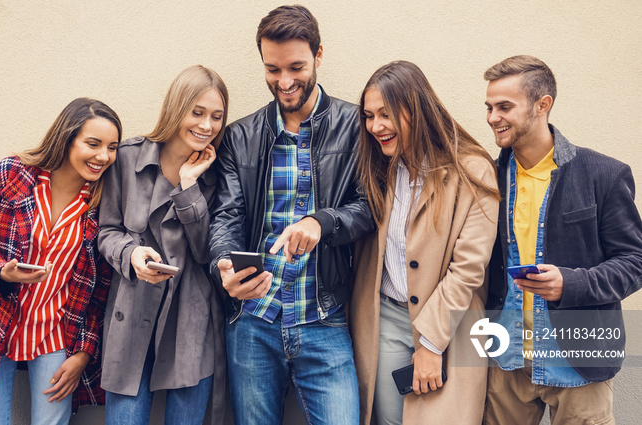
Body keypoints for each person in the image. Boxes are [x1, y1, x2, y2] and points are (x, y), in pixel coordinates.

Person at [207, 5, 374, 425]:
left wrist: (322, 221)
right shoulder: (240, 136)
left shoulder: (356, 127)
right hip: (253, 322)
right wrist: (224, 265)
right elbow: (226, 217)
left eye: (296, 67)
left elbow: (372, 206)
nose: (284, 82)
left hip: (324, 316)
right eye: (272, 69)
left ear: (319, 55)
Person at [483, 55, 642, 425]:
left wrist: (571, 283)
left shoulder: (604, 174)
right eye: (489, 107)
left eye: (505, 106)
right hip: (504, 361)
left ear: (543, 105)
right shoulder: (486, 179)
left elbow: (634, 261)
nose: (492, 117)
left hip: (580, 362)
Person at [0, 98, 121, 424]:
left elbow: (100, 290)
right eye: (93, 143)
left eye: (112, 147)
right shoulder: (12, 175)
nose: (103, 156)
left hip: (57, 335)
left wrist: (84, 352)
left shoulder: (102, 203)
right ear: (67, 137)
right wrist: (1, 272)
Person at [350, 61, 500, 425]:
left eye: (386, 114)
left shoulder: (472, 170)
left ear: (416, 108)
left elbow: (467, 269)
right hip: (384, 318)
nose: (376, 127)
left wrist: (431, 344)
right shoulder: (379, 168)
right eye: (369, 116)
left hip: (453, 325)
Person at [98, 65, 228, 425]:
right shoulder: (126, 157)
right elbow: (106, 230)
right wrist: (132, 254)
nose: (206, 126)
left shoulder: (216, 174)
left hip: (190, 316)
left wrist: (188, 186)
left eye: (216, 117)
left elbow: (206, 251)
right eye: (197, 112)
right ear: (176, 108)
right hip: (131, 306)